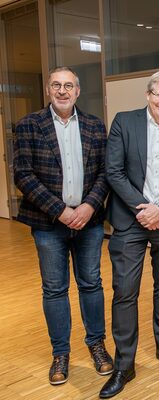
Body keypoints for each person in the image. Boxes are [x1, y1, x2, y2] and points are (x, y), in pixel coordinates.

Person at [100, 69, 159, 398]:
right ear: (148, 95)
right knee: (125, 292)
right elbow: (113, 172)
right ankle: (123, 365)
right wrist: (145, 209)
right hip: (130, 222)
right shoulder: (124, 123)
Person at [13, 66, 113, 385]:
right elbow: (23, 174)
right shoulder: (30, 125)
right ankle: (61, 354)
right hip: (47, 223)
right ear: (48, 90)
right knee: (55, 289)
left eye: (68, 85)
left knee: (91, 284)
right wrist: (60, 210)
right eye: (56, 85)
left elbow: (105, 173)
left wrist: (87, 206)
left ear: (78, 91)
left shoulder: (95, 127)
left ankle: (96, 345)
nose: (62, 91)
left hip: (90, 220)